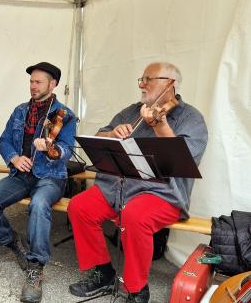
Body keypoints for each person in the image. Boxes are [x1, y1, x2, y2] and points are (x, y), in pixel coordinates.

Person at [67, 62, 208, 303]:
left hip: (163, 193)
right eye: (141, 79)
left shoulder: (191, 118)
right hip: (119, 186)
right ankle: (103, 272)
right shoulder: (133, 110)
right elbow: (100, 135)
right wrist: (112, 134)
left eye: (148, 79)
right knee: (79, 207)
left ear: (169, 83)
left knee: (134, 217)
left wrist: (160, 124)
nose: (142, 84)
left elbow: (181, 160)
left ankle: (137, 289)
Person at [0, 62, 76, 303]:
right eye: (31, 81)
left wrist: (51, 148)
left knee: (39, 205)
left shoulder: (64, 115)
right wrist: (14, 157)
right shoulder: (20, 110)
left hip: (50, 176)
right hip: (22, 175)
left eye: (38, 82)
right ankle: (13, 242)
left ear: (52, 84)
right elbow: (3, 141)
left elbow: (67, 149)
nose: (33, 86)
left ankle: (35, 267)